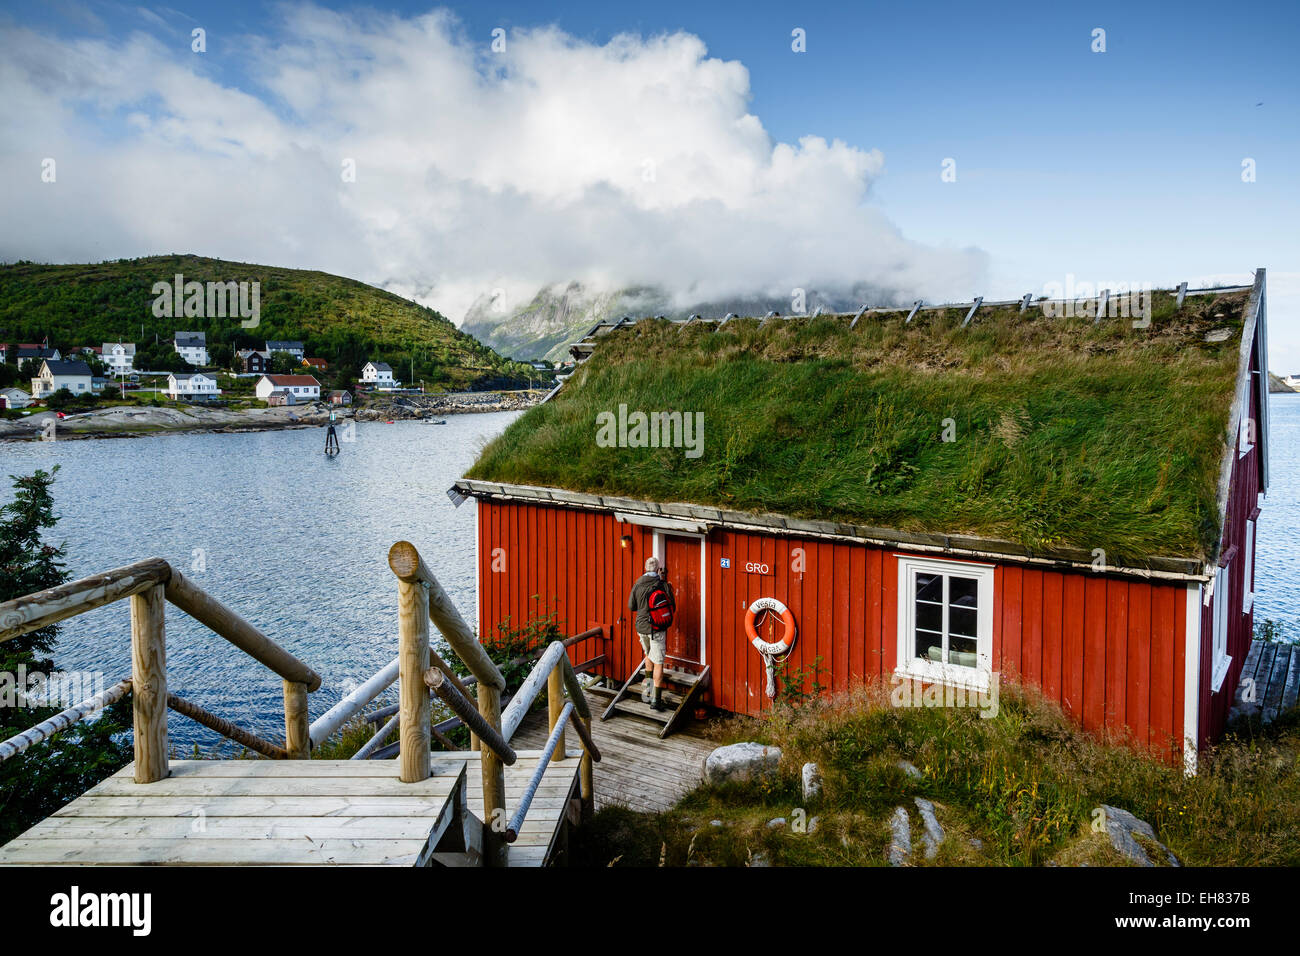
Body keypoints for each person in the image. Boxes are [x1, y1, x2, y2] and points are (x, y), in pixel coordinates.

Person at [627, 555, 675, 711]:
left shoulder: (638, 583)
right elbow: (672, 607)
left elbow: (631, 606)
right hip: (656, 629)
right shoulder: (662, 585)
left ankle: (647, 692)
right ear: (657, 569)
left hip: (641, 627)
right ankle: (656, 700)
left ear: (645, 568)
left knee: (648, 655)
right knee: (659, 663)